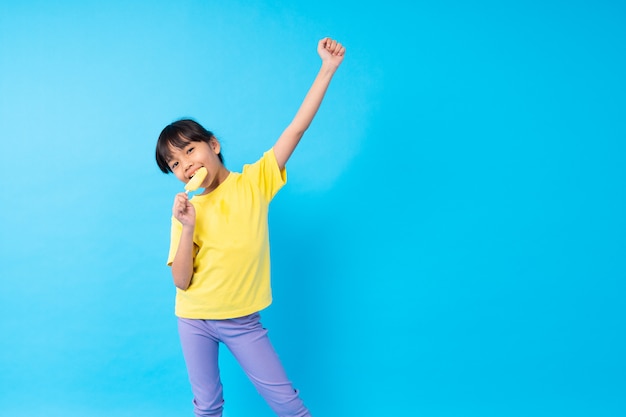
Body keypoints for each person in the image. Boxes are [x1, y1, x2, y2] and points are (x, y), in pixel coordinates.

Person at [154, 37, 345, 417]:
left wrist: (326, 70)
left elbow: (295, 131)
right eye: (175, 165)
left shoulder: (254, 183)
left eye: (190, 151)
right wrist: (187, 227)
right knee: (207, 407)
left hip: (241, 320)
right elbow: (180, 280)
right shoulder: (184, 210)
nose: (186, 166)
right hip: (193, 318)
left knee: (288, 405)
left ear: (214, 145)